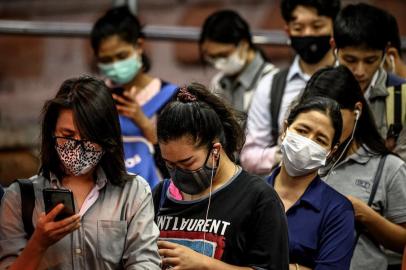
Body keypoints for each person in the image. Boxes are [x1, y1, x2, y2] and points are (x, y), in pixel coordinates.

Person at [0, 76, 161, 269]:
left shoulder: (133, 192)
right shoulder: (19, 198)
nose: (78, 146)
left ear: (107, 139)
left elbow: (145, 261)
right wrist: (39, 243)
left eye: (89, 137)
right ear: (52, 133)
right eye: (68, 135)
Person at [152, 83, 289, 270]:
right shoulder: (161, 194)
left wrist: (205, 265)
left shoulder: (258, 198)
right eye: (170, 164)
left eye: (187, 163)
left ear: (215, 150)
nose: (178, 172)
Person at [300, 65, 406, 270]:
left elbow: (403, 241)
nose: (325, 125)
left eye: (335, 116)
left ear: (357, 111)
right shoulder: (300, 160)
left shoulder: (389, 168)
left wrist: (363, 214)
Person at [241, 0, 340, 175]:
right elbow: (250, 156)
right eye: (298, 28)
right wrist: (287, 153)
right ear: (287, 30)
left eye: (317, 26)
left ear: (334, 27)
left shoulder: (351, 80)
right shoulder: (271, 85)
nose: (308, 34)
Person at [91, 6, 178, 187]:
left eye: (121, 56)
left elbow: (179, 162)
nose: (115, 65)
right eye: (106, 60)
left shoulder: (171, 97)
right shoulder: (95, 100)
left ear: (139, 46)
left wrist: (143, 122)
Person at [267, 96, 355, 269]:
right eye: (302, 130)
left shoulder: (337, 210)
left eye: (320, 140)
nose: (307, 143)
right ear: (285, 129)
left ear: (331, 151)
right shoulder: (249, 191)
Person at [332, 3, 406, 141]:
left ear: (385, 52)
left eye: (370, 61)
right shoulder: (316, 90)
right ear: (334, 47)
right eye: (350, 60)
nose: (360, 71)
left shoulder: (402, 96)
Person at [199, 9, 277, 113]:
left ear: (243, 45)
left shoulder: (273, 82)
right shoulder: (218, 83)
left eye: (223, 55)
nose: (218, 63)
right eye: (212, 57)